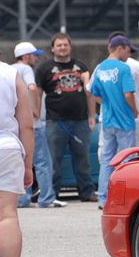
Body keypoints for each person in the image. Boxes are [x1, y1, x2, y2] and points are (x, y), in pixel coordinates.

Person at [0, 35, 35, 257]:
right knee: (6, 215)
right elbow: (27, 125)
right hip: (6, 147)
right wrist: (28, 163)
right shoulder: (12, 74)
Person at [35, 32, 97, 202]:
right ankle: (52, 193)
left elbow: (90, 94)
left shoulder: (81, 66)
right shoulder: (44, 69)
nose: (62, 48)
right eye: (59, 45)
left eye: (65, 45)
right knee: (54, 160)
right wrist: (37, 118)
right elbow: (37, 95)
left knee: (83, 160)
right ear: (53, 48)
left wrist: (92, 116)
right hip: (55, 122)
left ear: (70, 46)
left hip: (81, 121)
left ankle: (86, 192)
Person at [13, 42, 66, 209]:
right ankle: (47, 198)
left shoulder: (9, 69)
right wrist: (35, 109)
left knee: (22, 162)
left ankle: (22, 199)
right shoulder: (26, 69)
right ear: (26, 56)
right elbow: (33, 88)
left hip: (16, 125)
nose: (36, 58)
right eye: (34, 54)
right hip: (33, 125)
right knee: (43, 162)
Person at [89, 36, 138, 210]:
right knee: (127, 160)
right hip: (124, 120)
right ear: (120, 48)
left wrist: (106, 103)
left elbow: (92, 93)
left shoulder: (100, 68)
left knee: (107, 160)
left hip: (108, 120)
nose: (129, 54)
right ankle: (125, 198)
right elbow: (128, 94)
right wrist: (134, 110)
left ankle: (103, 198)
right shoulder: (124, 68)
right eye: (128, 50)